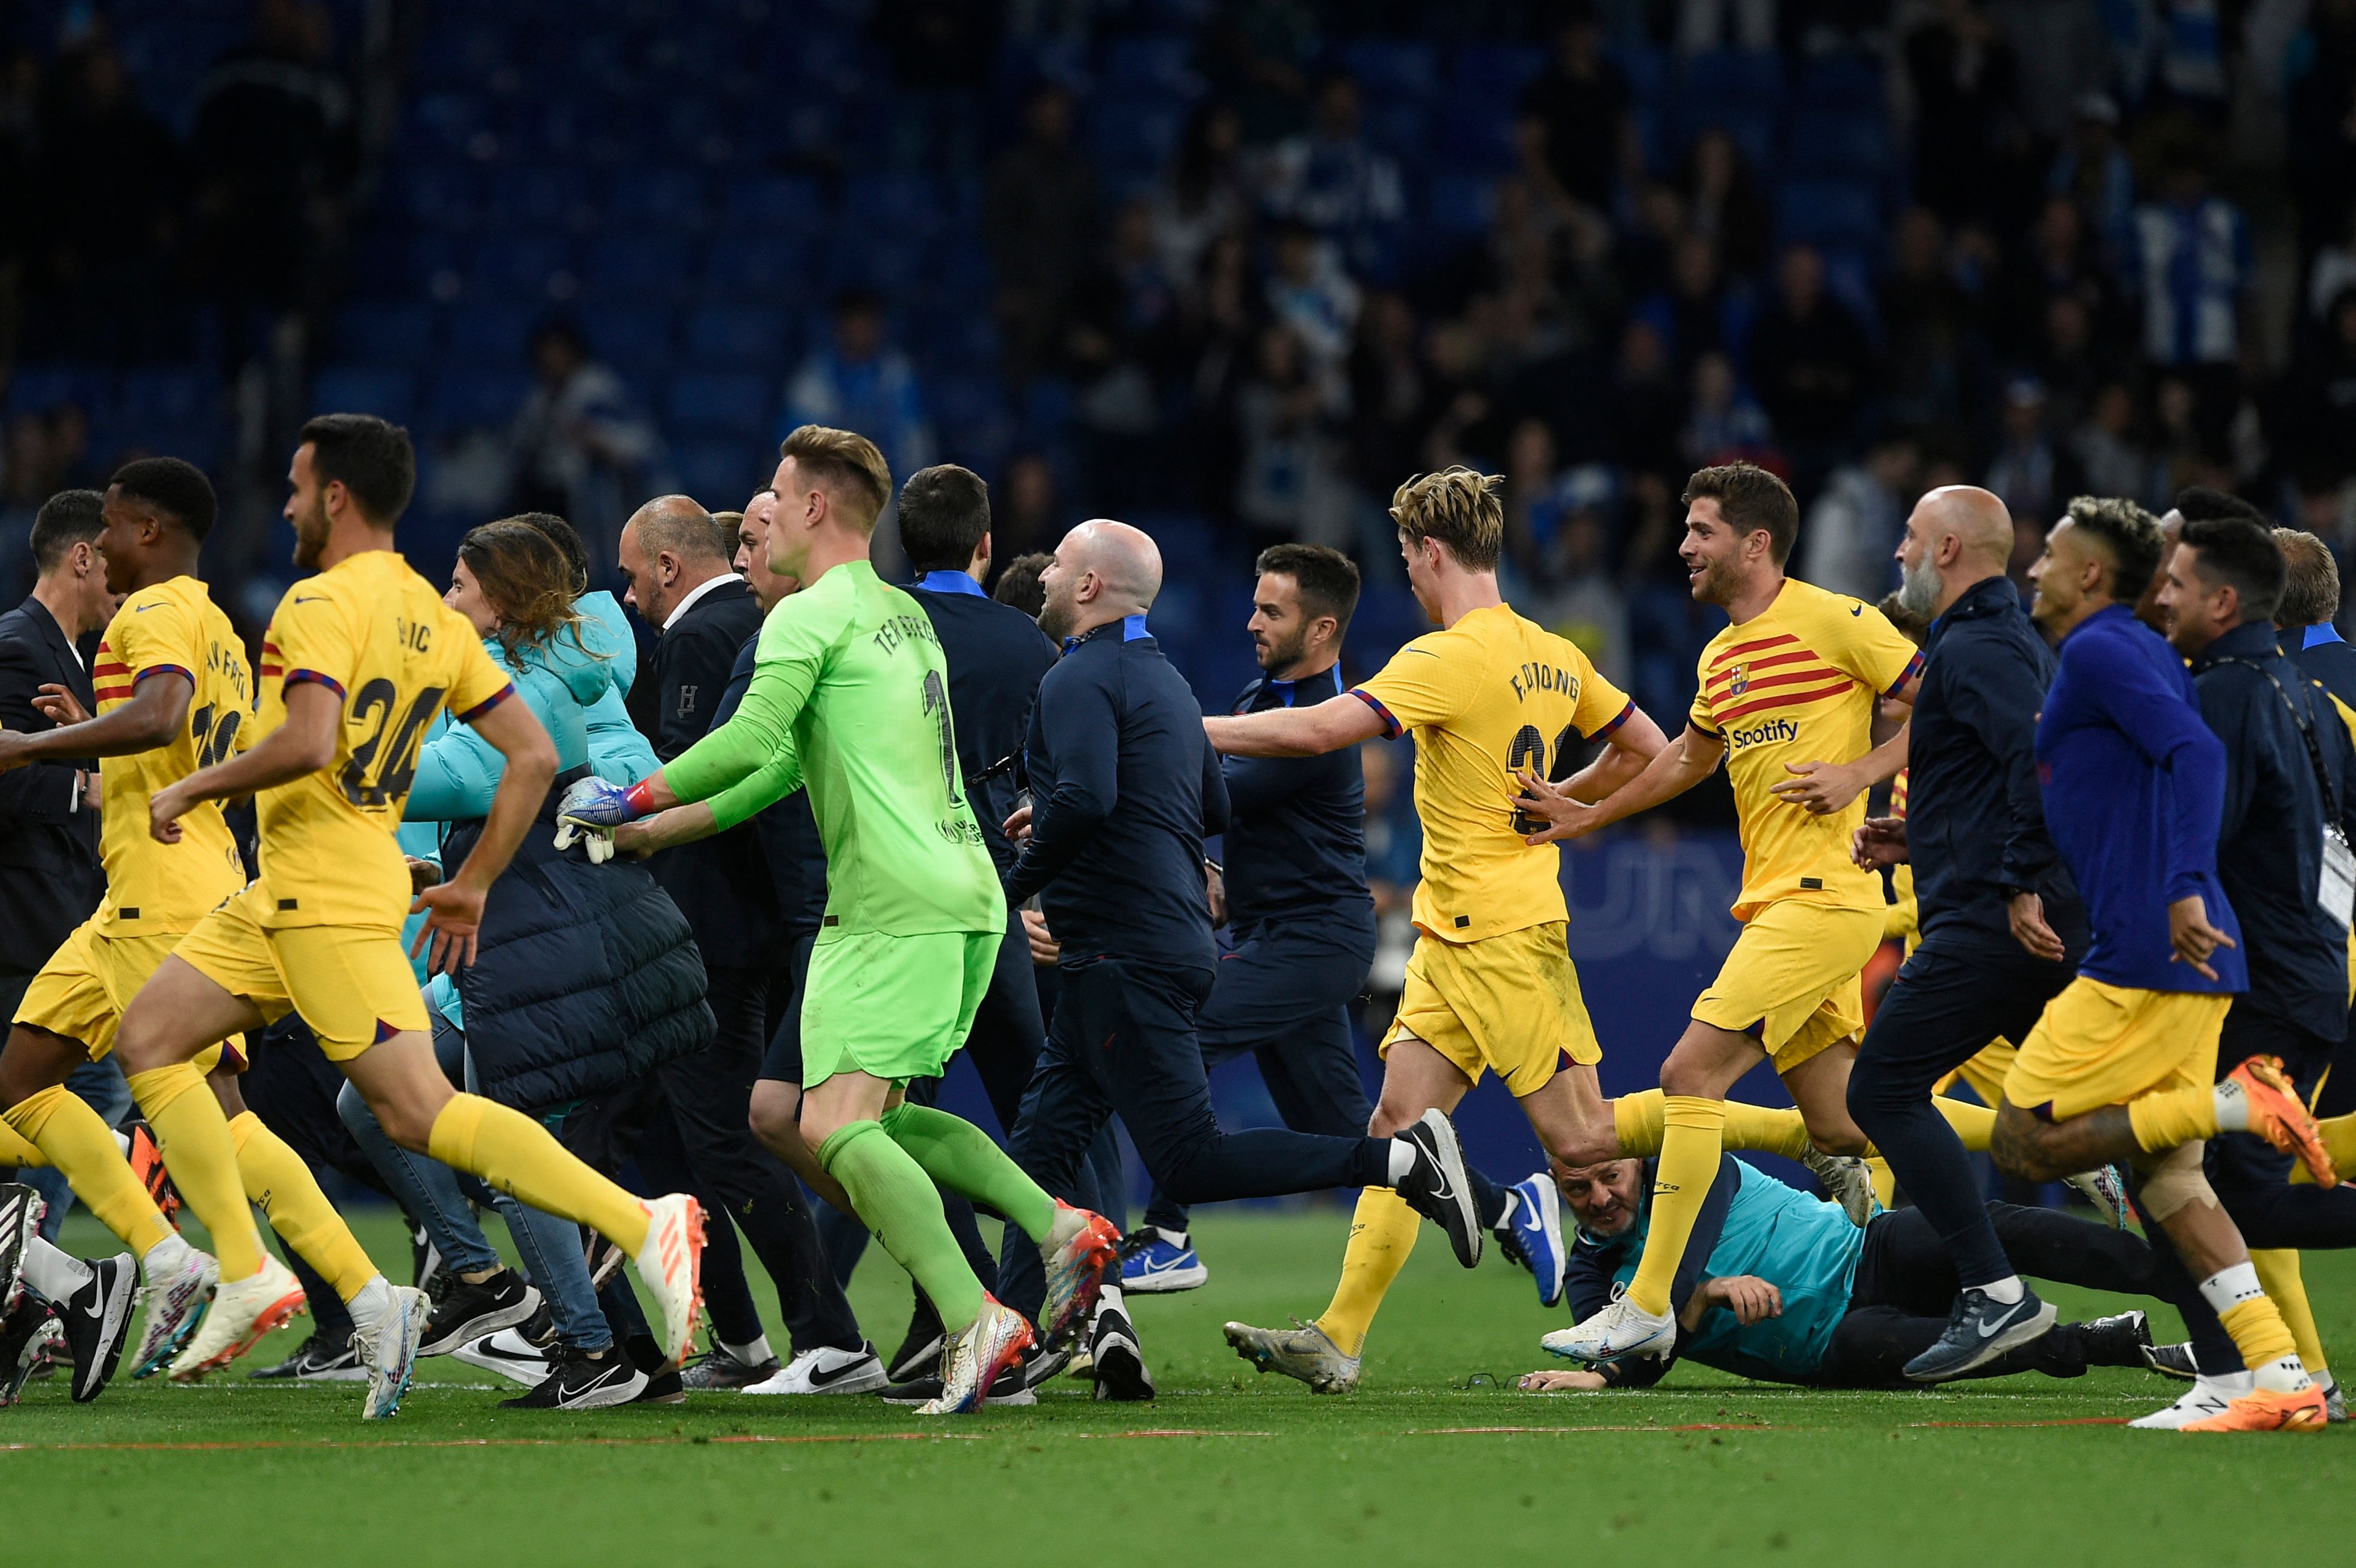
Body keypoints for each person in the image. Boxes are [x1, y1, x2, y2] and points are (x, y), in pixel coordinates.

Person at [103, 415, 706, 1415]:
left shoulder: (317, 602)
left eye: (298, 487)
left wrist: (193, 784)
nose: (287, 506)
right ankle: (259, 1271)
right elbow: (534, 756)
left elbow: (308, 741)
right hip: (300, 887)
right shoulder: (430, 616)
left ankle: (640, 1227)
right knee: (153, 1039)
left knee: (414, 1113)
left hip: (322, 897)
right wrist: (471, 882)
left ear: (336, 495)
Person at [566, 425, 1122, 1415]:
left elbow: (746, 738)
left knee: (831, 1123)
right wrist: (656, 829)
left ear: (816, 507)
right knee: (826, 1113)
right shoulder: (900, 615)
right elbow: (782, 769)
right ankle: (1057, 1229)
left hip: (890, 906)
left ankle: (975, 1318)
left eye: (779, 497)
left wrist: (632, 794)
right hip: (962, 895)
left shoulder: (806, 618)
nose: (765, 516)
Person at [1522, 462, 1936, 1367]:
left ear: (1755, 543)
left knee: (1689, 1073)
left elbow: (1943, 701)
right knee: (1841, 1126)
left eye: (1700, 531)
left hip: (1822, 899)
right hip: (1778, 905)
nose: (1682, 546)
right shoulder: (1721, 656)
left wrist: (1860, 773)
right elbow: (1685, 759)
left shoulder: (1838, 620)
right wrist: (1588, 813)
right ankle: (2044, 1140)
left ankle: (1646, 1305)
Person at [0, 460, 395, 1396]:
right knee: (21, 1082)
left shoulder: (149, 611)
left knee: (213, 1114)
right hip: (150, 890)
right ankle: (203, 1264)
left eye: (111, 524)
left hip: (163, 894)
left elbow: (162, 715)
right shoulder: (216, 622)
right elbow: (205, 741)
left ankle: (320, 1285)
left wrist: (34, 745)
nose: (100, 542)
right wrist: (94, 728)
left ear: (147, 530)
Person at [346, 517, 715, 1411]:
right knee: (375, 1097)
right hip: (526, 944)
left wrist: (319, 746)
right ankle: (487, 1284)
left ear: (503, 603)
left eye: (459, 587)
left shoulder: (519, 686)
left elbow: (444, 778)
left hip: (548, 948)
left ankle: (594, 1348)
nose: (444, 600)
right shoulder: (539, 668)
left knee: (515, 1150)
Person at [1983, 498, 2328, 1432]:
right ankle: (2272, 1375)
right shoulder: (2131, 652)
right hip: (2184, 954)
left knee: (2022, 1140)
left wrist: (2179, 885)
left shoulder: (2102, 648)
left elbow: (2195, 751)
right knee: (2171, 1180)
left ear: (2090, 573)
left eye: (2049, 555)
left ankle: (2237, 1105)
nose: (2032, 568)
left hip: (2147, 951)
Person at [613, 493, 883, 1396]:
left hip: (716, 935)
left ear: (666, 566)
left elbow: (713, 771)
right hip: (757, 925)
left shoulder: (706, 635)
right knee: (692, 1140)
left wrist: (625, 808)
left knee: (738, 1137)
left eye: (632, 575)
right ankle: (744, 1337)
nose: (626, 596)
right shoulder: (763, 624)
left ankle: (831, 1334)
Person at [1842, 487, 2088, 1380]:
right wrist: (1918, 835)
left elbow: (2038, 762)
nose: (1897, 552)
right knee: (2115, 1130)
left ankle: (1993, 1292)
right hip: (2010, 910)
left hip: (1992, 922)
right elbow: (1999, 778)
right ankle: (2228, 1320)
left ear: (1946, 550)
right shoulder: (1992, 641)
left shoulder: (1978, 645)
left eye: (1909, 537)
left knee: (1882, 1091)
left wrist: (2018, 883)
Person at [1122, 544, 1383, 1297]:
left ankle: (1167, 1234)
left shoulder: (1318, 725)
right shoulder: (1257, 700)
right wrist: (1221, 880)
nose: (1252, 623)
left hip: (1313, 942)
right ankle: (1505, 1207)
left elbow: (1208, 802)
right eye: (1255, 606)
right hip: (1277, 934)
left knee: (1176, 1032)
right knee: (1349, 1138)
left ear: (1322, 628)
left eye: (1272, 612)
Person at [1520, 1156, 2155, 1393]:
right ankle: (2104, 1342)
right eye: (1578, 1190)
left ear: (1639, 1161)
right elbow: (1635, 1361)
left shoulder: (1696, 1169)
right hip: (1831, 1344)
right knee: (1890, 1345)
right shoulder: (1591, 1272)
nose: (1600, 1198)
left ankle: (2175, 1274)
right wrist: (1707, 1296)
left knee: (1979, 1224)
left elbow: (1651, 1323)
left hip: (1868, 1250)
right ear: (1558, 1188)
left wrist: (1682, 1300)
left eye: (1611, 1177)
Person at [0, 490, 113, 1233]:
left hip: (63, 921)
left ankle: (28, 1268)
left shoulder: (73, 660)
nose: (120, 583)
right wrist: (87, 787)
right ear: (81, 557)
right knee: (68, 1098)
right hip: (27, 923)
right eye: (112, 563)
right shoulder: (17, 646)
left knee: (87, 1095)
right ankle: (29, 1267)